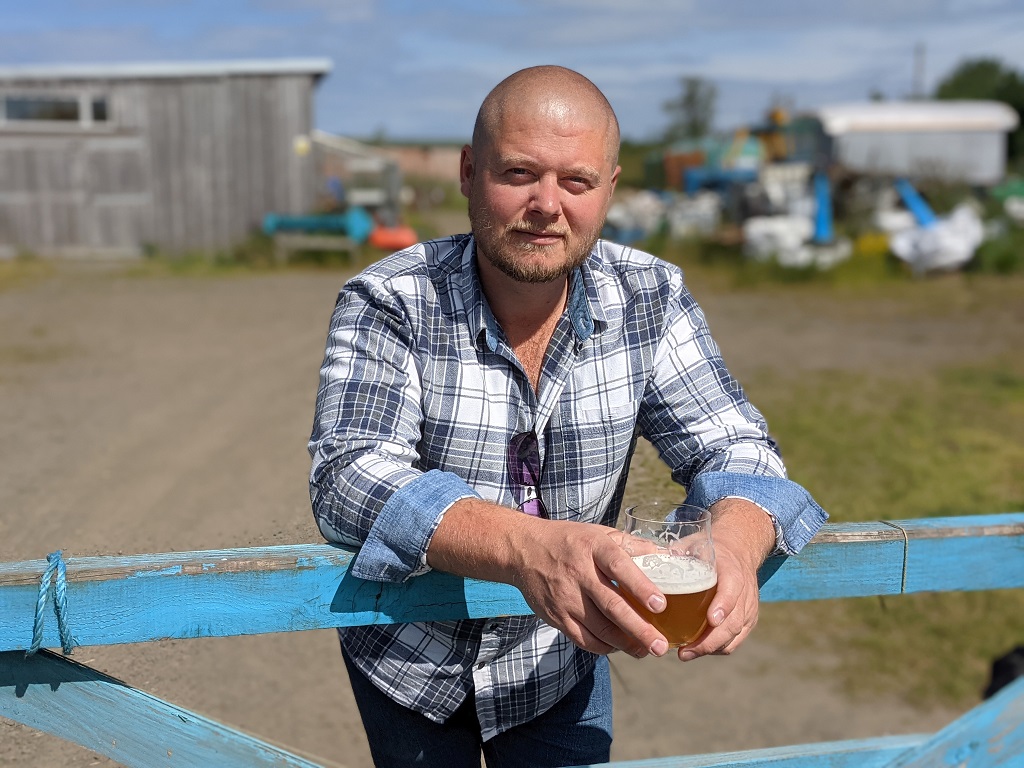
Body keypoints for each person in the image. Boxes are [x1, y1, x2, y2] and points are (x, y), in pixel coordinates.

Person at [308, 65, 827, 768]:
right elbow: (348, 474)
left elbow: (734, 444)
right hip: (410, 661)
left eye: (576, 182)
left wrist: (736, 541)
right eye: (519, 172)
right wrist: (529, 549)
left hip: (561, 663)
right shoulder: (391, 299)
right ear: (468, 172)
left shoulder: (651, 295)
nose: (546, 204)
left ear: (609, 189)